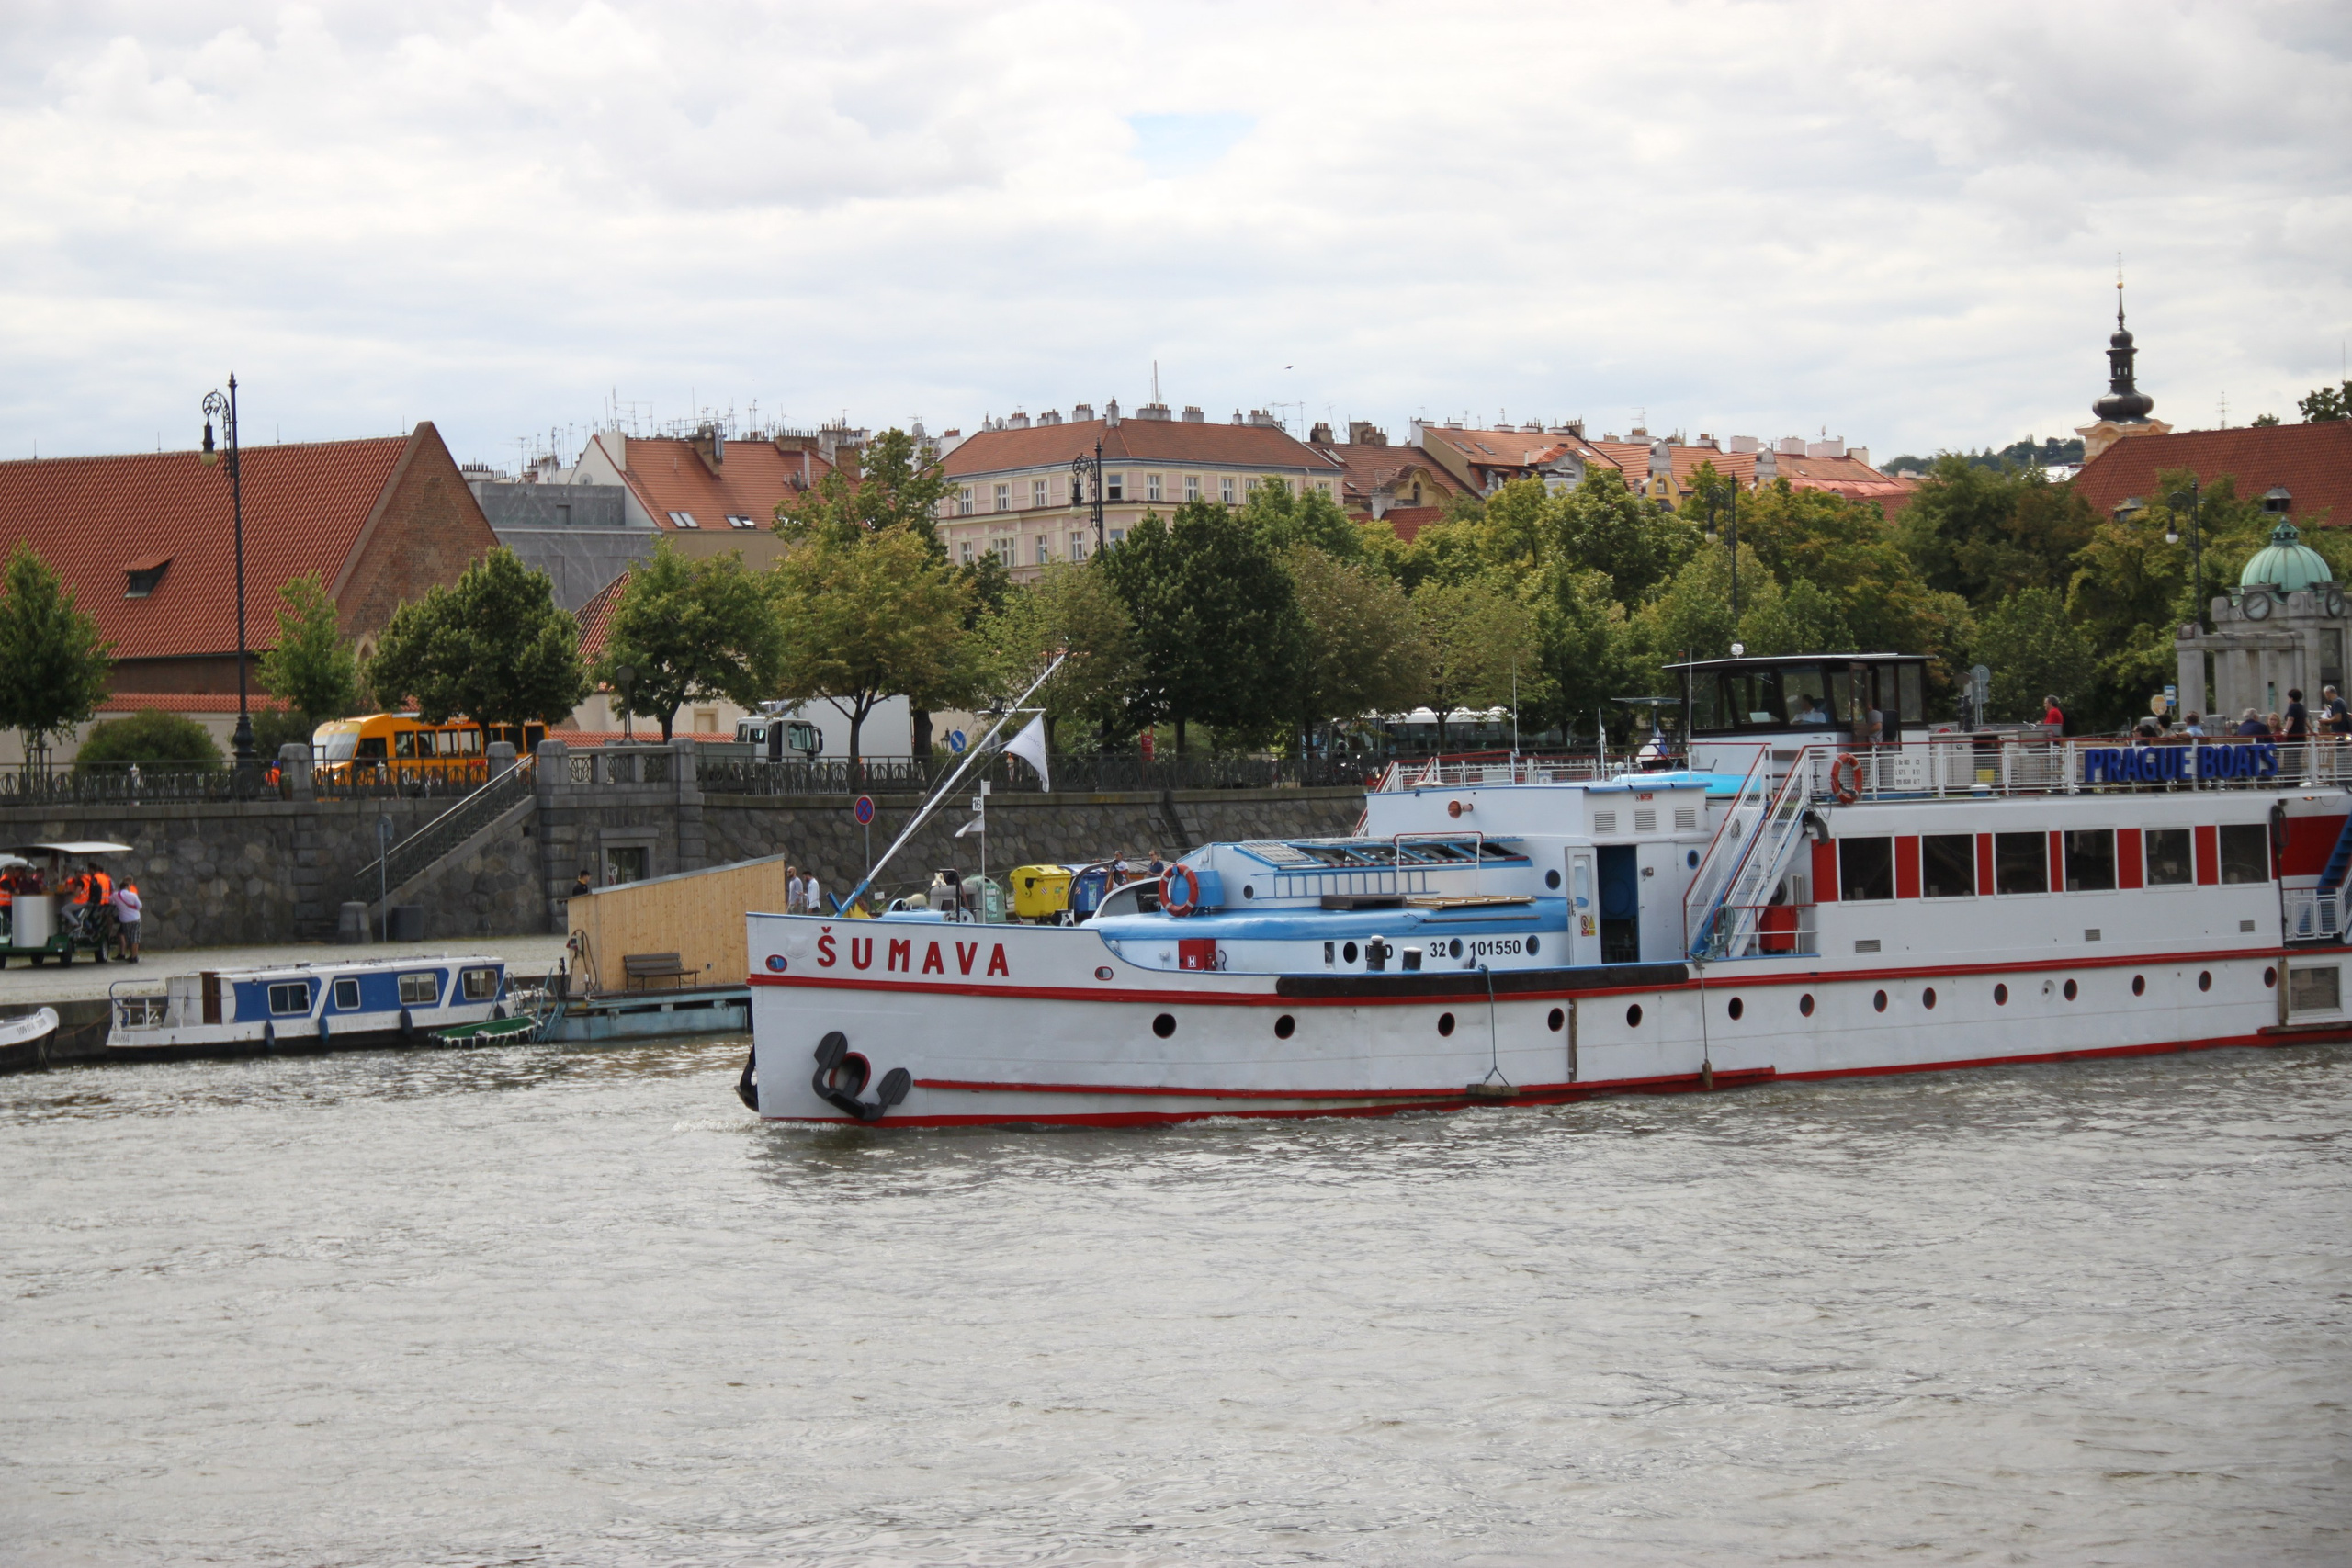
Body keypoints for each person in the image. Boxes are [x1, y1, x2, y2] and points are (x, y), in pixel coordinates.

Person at [111, 879, 141, 963]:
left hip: (125, 919)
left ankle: (132, 955)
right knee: (135, 937)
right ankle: (134, 956)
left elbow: (110, 901)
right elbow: (139, 906)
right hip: (135, 918)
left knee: (129, 938)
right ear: (127, 886)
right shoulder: (133, 895)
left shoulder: (115, 895)